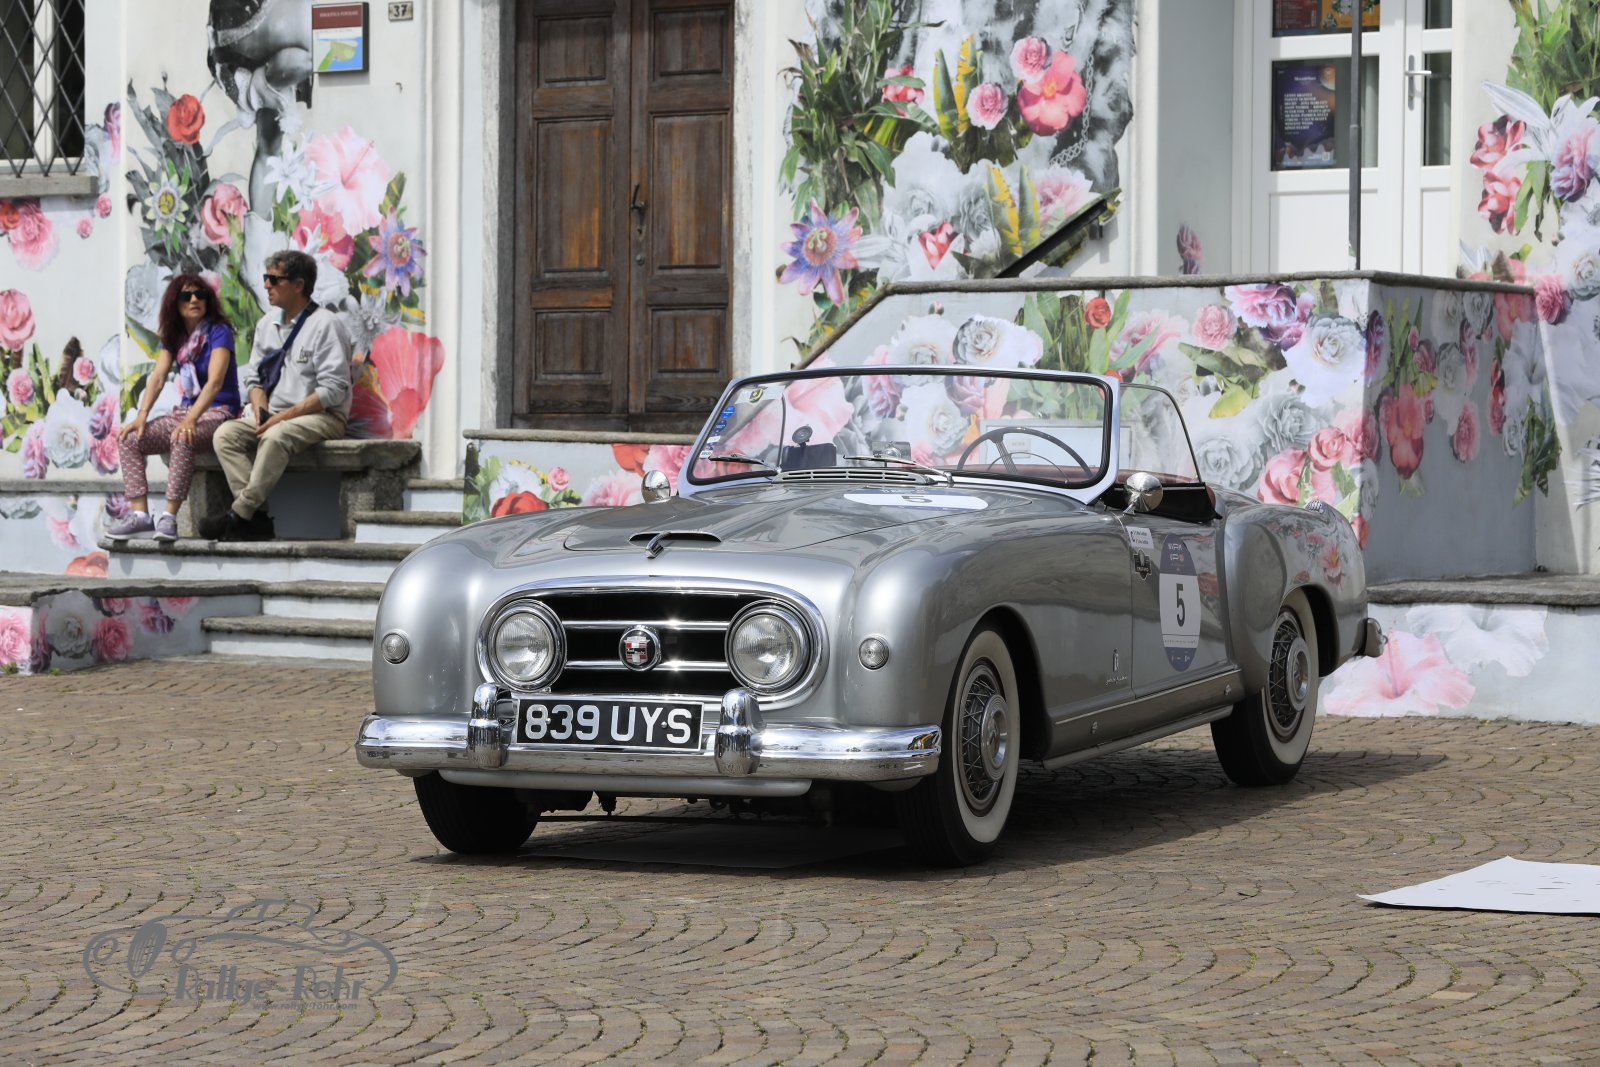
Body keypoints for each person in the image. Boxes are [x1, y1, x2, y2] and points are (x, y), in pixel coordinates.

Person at [201, 249, 352, 541]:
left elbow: (333, 390)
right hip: (275, 414)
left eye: (274, 279)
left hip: (323, 416)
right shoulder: (266, 324)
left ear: (298, 285)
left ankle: (240, 513)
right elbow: (254, 377)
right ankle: (257, 519)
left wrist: (281, 418)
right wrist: (261, 410)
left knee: (275, 435)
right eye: (265, 278)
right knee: (225, 435)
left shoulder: (326, 325)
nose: (266, 285)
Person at [106, 274, 242, 542]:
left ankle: (169, 518)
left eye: (200, 295)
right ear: (174, 303)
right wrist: (141, 416)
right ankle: (141, 517)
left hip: (220, 411)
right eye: (186, 296)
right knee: (129, 439)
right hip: (185, 412)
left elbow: (215, 383)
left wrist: (191, 420)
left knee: (182, 436)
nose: (194, 300)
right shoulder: (174, 336)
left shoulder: (219, 331)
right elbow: (157, 378)